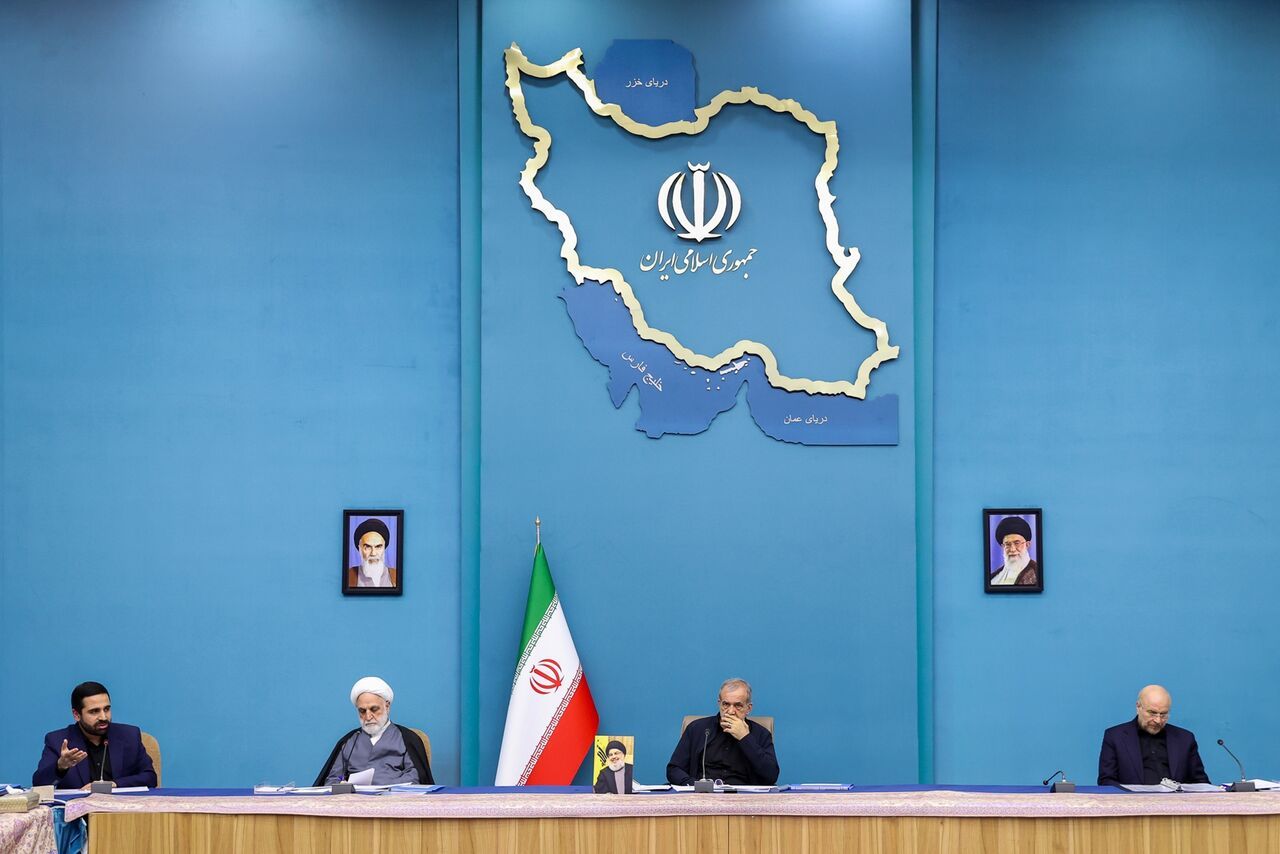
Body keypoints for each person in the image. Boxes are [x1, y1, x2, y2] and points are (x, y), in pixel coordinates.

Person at [33, 681, 157, 789]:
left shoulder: (129, 736)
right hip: (79, 814)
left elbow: (150, 778)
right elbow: (39, 786)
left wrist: (113, 785)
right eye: (94, 711)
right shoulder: (57, 740)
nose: (103, 717)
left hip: (121, 812)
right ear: (76, 715)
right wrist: (60, 766)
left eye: (107, 709)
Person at [314, 676, 433, 785]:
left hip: (394, 801)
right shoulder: (349, 741)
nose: (368, 716)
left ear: (387, 706)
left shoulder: (407, 738)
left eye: (374, 709)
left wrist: (381, 785)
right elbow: (332, 779)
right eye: (362, 711)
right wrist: (342, 786)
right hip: (354, 803)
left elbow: (415, 777)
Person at [666, 678, 779, 786]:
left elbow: (771, 775)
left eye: (738, 705)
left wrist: (745, 738)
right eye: (726, 704)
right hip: (702, 796)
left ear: (748, 708)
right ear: (719, 703)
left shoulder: (761, 734)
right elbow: (674, 769)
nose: (730, 711)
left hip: (743, 799)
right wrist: (695, 785)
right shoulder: (697, 729)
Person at [1098, 684, 1209, 786]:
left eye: (1163, 714)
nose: (1158, 720)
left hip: (1176, 804)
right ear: (1138, 707)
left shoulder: (1185, 738)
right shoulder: (1115, 737)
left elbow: (1200, 782)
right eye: (1152, 713)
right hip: (1133, 804)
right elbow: (1107, 781)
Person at [988, 516, 1039, 586]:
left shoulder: (1037, 573)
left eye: (1017, 543)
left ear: (1027, 545)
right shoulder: (993, 577)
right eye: (1008, 544)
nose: (1012, 549)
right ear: (1003, 547)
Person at [347, 518, 398, 588]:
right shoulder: (348, 576)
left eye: (378, 546)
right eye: (367, 547)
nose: (373, 553)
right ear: (359, 548)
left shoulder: (396, 576)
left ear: (384, 548)